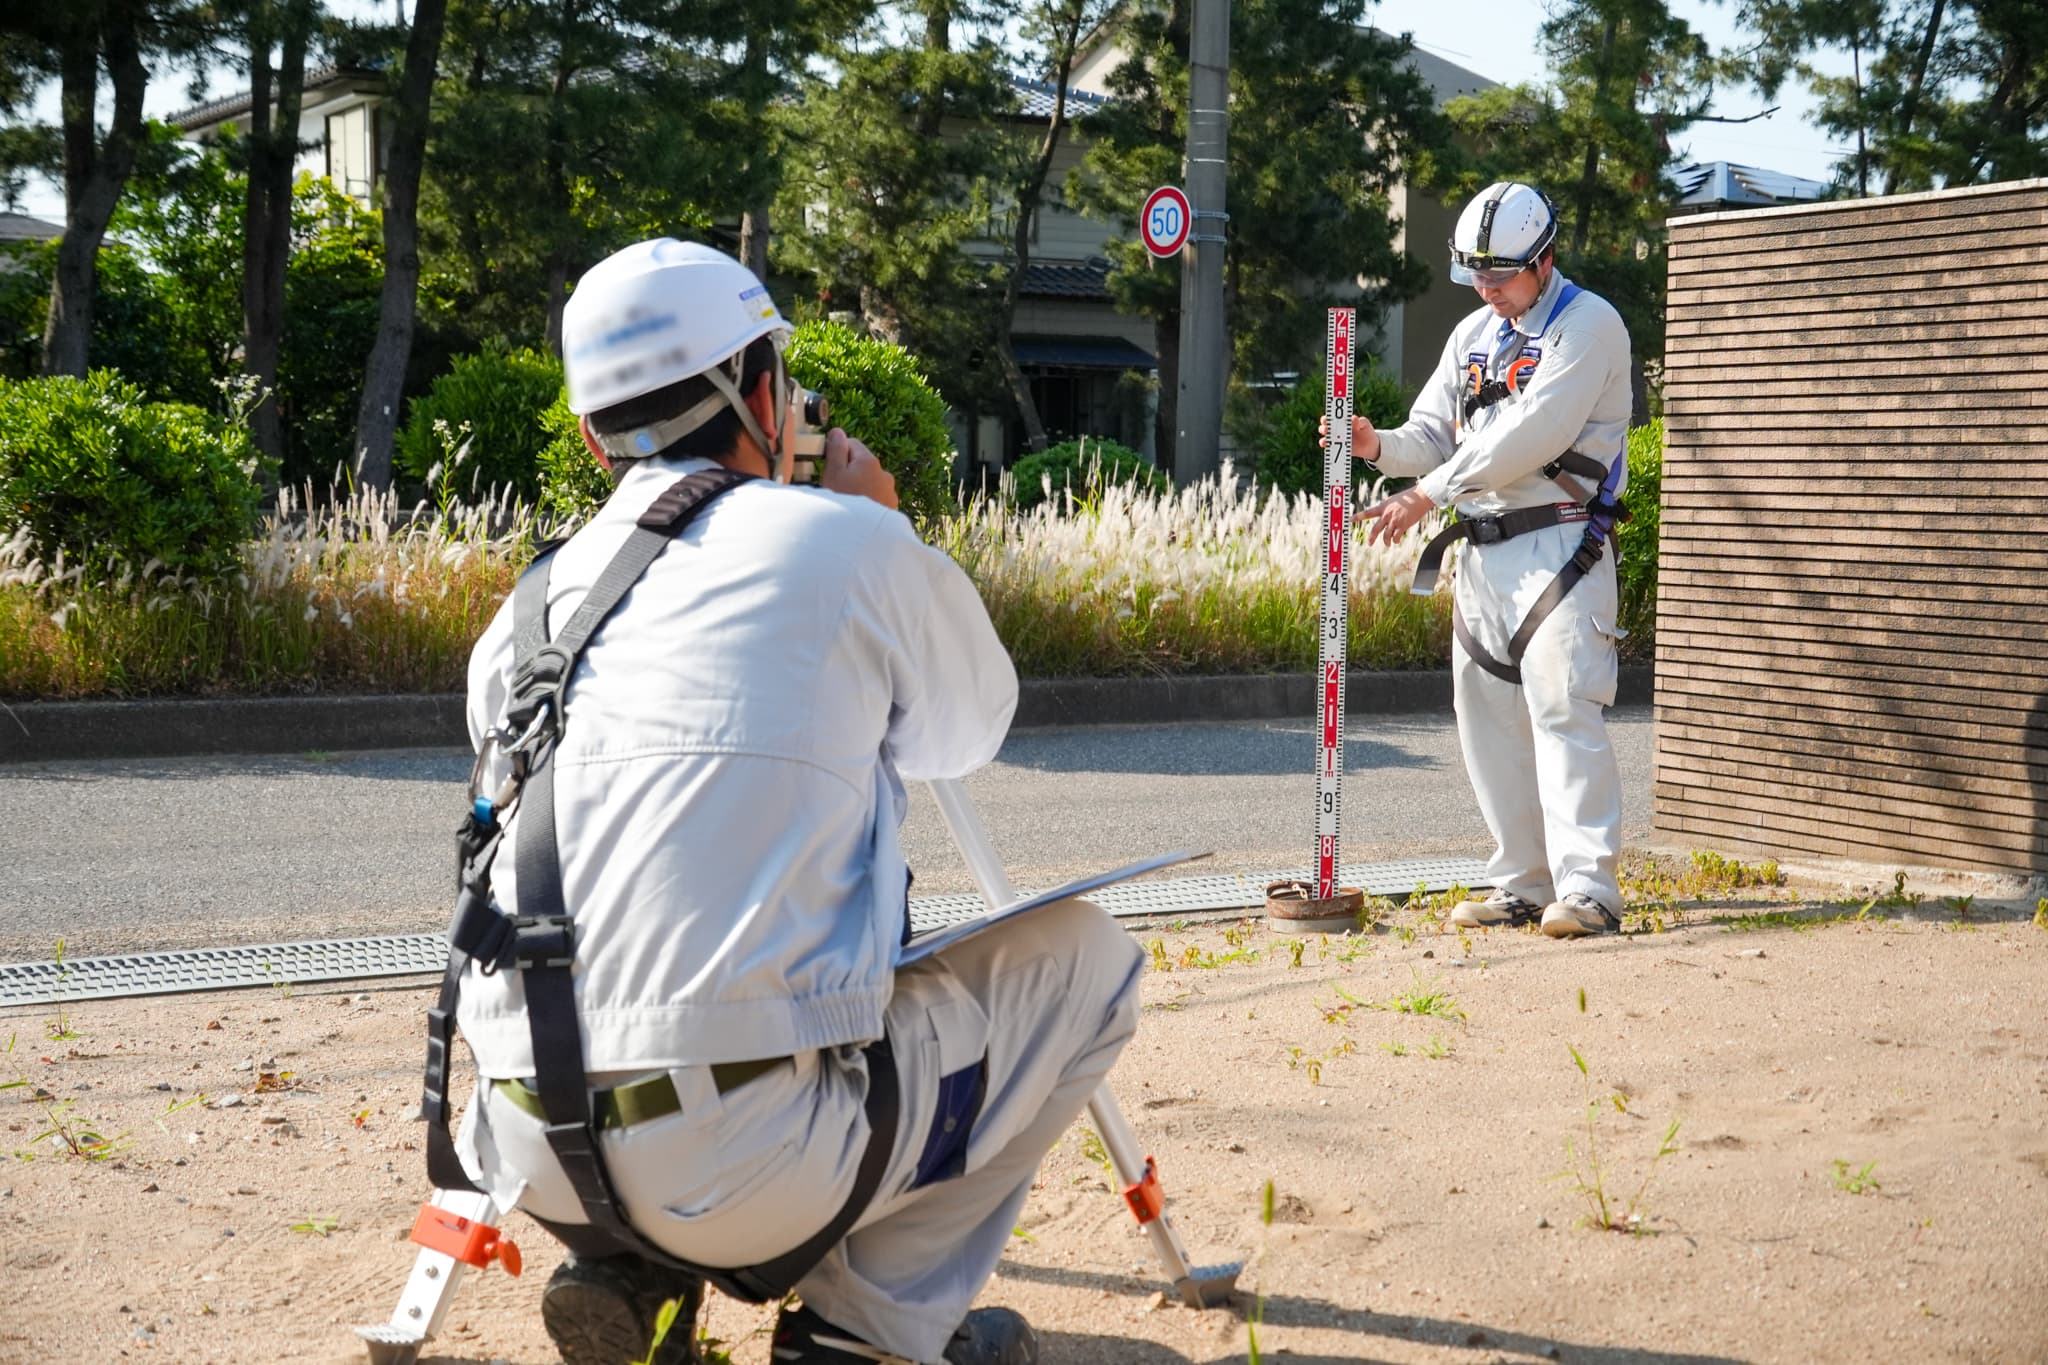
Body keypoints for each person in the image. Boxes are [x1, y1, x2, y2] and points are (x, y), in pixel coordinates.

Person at [433, 239, 1144, 1365]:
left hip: (522, 1145)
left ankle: (632, 1266)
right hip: (746, 1157)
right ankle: (863, 1334)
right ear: (764, 392)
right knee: (1090, 965)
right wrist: (883, 521)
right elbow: (966, 733)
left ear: (588, 433)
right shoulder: (844, 540)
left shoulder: (524, 611)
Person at [1326, 182, 1633, 938]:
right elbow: (1436, 431)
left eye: (1500, 275)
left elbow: (1531, 431)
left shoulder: (1589, 325)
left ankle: (1589, 888)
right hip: (1485, 554)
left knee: (1566, 709)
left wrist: (1426, 494)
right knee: (1486, 716)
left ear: (1545, 258)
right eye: (1476, 275)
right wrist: (1379, 449)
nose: (1487, 289)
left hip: (1561, 542)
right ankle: (1522, 880)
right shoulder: (1471, 335)